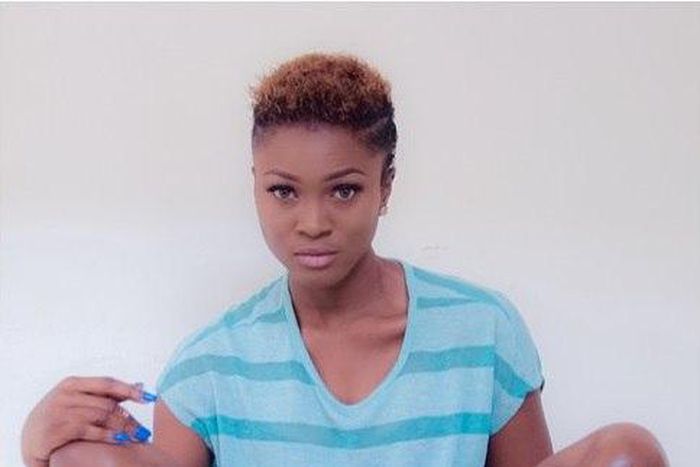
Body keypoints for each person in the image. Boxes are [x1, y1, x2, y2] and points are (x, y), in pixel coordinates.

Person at [21, 52, 669, 467]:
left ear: (385, 187)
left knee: (628, 452)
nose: (312, 221)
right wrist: (41, 447)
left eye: (344, 190)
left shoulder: (481, 331)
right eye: (284, 191)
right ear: (255, 186)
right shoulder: (212, 363)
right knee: (82, 458)